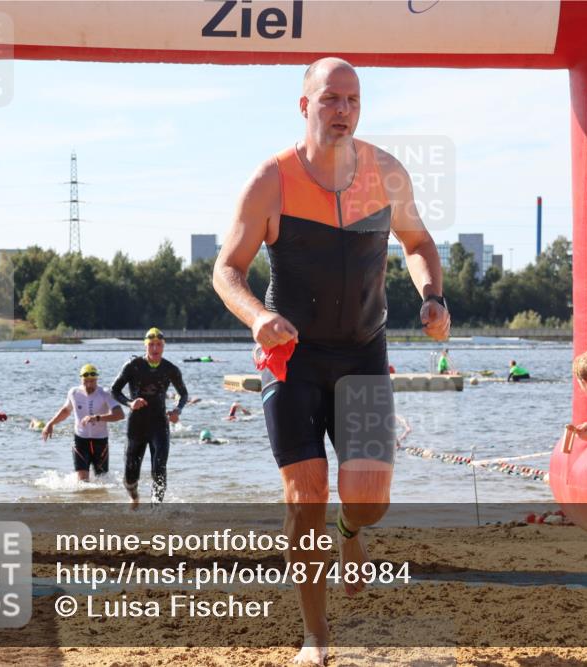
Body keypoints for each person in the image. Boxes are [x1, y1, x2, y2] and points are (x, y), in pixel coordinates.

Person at [212, 57, 450, 666]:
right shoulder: (273, 180)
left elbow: (419, 243)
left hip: (364, 352)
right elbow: (228, 270)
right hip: (290, 357)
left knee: (368, 501)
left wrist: (432, 297)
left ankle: (353, 534)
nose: (342, 110)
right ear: (305, 105)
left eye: (352, 99)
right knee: (306, 495)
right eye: (330, 99)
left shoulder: (384, 173)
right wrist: (257, 318)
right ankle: (317, 636)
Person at [110, 328, 189, 507]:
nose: (155, 348)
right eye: (151, 345)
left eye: (159, 345)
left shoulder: (171, 369)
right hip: (136, 425)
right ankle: (134, 497)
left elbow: (183, 395)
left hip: (159, 424)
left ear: (163, 347)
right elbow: (114, 390)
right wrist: (130, 403)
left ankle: (156, 511)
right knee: (130, 475)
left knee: (159, 470)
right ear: (145, 346)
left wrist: (177, 410)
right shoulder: (133, 365)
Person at [42, 363, 124, 481]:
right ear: (81, 379)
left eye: (92, 381)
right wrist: (50, 423)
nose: (89, 384)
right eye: (86, 381)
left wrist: (97, 417)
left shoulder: (105, 393)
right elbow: (65, 411)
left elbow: (120, 415)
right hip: (81, 440)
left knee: (102, 481)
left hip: (100, 442)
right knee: (82, 481)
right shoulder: (74, 393)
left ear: (96, 379)